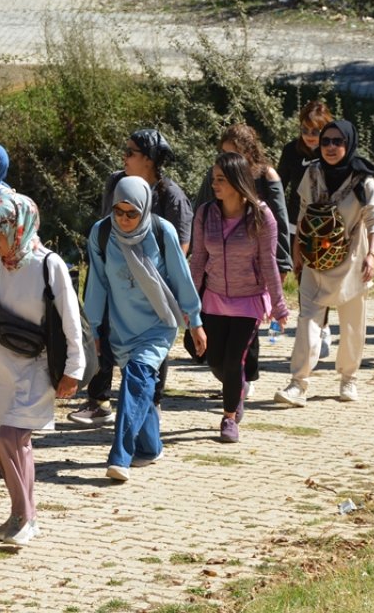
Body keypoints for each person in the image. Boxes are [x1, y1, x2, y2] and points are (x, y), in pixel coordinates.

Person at [0, 193, 85, 546]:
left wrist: (74, 368)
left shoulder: (49, 265)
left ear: (18, 227)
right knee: (11, 440)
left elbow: (71, 321)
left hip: (38, 367)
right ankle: (22, 515)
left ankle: (24, 516)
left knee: (11, 437)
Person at [70, 128, 193, 427]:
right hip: (116, 277)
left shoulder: (171, 195)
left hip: (153, 288)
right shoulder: (116, 182)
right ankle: (99, 400)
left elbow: (180, 244)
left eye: (130, 152)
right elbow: (106, 227)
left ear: (149, 159)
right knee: (103, 334)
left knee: (151, 347)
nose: (123, 157)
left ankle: (151, 403)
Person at [85, 176, 205, 482]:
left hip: (158, 323)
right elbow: (97, 284)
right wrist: (93, 329)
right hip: (122, 327)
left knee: (136, 379)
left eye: (132, 213)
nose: (124, 220)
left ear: (145, 209)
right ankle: (150, 448)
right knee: (140, 386)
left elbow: (181, 277)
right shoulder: (101, 233)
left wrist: (195, 322)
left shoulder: (161, 231)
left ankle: (120, 456)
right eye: (119, 212)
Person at [274, 120, 374, 406]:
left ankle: (349, 380)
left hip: (353, 262)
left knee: (351, 326)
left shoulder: (363, 180)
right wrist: (297, 250)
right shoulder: (312, 173)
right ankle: (298, 383)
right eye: (326, 142)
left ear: (348, 143)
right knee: (307, 320)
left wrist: (372, 255)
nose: (331, 147)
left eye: (337, 141)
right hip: (314, 259)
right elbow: (303, 214)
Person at [190, 153, 288, 443]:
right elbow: (197, 262)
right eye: (214, 178)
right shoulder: (205, 214)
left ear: (237, 181)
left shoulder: (261, 215)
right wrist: (190, 302)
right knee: (216, 361)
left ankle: (229, 418)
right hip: (214, 298)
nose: (214, 184)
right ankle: (238, 387)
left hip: (249, 300)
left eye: (221, 179)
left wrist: (280, 306)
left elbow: (269, 263)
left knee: (233, 362)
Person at [278, 100, 336, 358]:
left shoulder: (333, 150)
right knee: (303, 279)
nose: (310, 136)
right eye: (305, 130)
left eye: (316, 131)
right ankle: (311, 332)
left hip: (327, 226)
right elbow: (279, 186)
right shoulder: (292, 150)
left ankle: (323, 327)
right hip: (296, 224)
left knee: (323, 279)